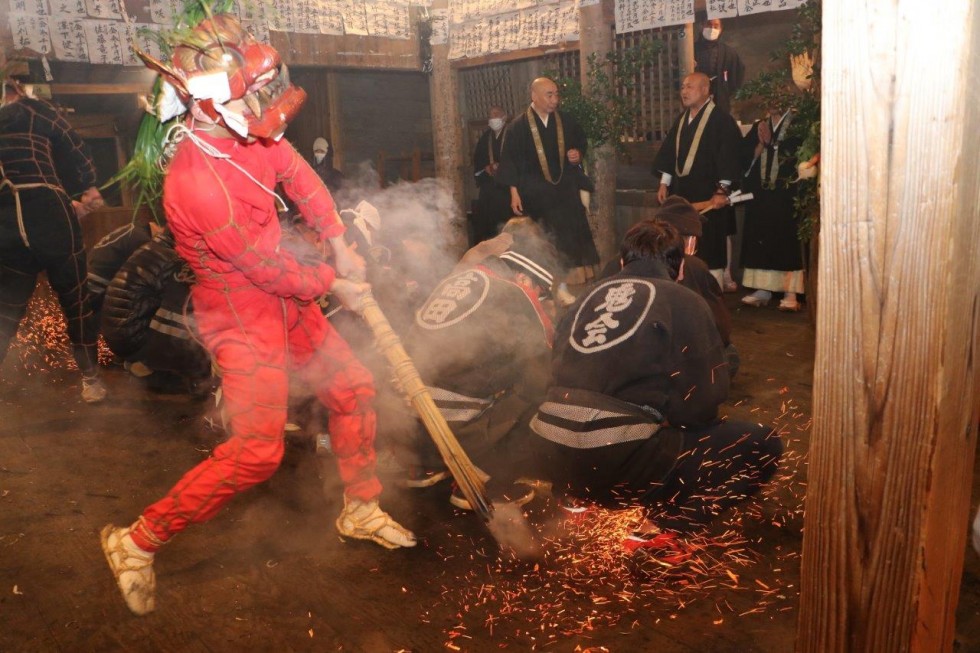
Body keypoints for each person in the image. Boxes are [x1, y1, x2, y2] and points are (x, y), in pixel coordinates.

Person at [100, 14, 415, 617]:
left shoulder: (249, 134)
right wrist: (334, 283)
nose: (266, 103)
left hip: (281, 290)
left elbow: (300, 178)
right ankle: (136, 541)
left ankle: (360, 508)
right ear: (212, 96)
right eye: (253, 90)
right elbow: (259, 270)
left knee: (353, 389)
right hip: (240, 311)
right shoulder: (194, 183)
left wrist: (340, 240)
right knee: (257, 453)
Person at [530, 218, 782, 542]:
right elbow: (701, 404)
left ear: (622, 262)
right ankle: (664, 530)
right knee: (761, 444)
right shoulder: (683, 299)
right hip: (619, 466)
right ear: (679, 270)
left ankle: (575, 498)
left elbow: (555, 368)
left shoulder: (585, 297)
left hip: (550, 453)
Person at [392, 236, 557, 508]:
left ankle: (421, 465)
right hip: (453, 423)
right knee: (540, 393)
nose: (539, 299)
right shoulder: (514, 292)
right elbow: (541, 366)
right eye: (541, 292)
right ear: (524, 277)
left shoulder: (458, 279)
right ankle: (486, 480)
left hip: (405, 419)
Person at [0, 77, 107, 402]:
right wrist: (87, 187)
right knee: (76, 299)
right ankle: (91, 380)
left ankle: (90, 378)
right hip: (50, 209)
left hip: (6, 215)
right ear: (16, 86)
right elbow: (73, 145)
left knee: (4, 310)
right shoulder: (36, 110)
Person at [497, 77, 599, 304]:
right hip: (533, 194)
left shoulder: (565, 121)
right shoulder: (518, 127)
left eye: (556, 95)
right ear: (534, 96)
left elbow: (580, 143)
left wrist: (576, 154)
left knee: (564, 239)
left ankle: (561, 286)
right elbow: (509, 161)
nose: (555, 100)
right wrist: (514, 192)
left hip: (563, 191)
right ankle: (539, 289)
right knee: (539, 240)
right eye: (549, 95)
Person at [652, 72, 742, 289]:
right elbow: (669, 153)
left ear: (705, 90)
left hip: (709, 194)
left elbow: (729, 154)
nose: (684, 91)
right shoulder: (682, 121)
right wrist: (664, 181)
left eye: (689, 87)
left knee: (710, 243)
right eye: (682, 87)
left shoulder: (721, 120)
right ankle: (684, 290)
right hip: (682, 192)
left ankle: (713, 294)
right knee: (681, 241)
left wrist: (722, 190)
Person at [99, 226, 211, 394]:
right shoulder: (175, 260)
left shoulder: (153, 249)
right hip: (133, 339)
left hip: (117, 334)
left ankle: (144, 362)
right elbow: (178, 319)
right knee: (189, 321)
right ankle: (151, 367)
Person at [738, 107, 805, 311]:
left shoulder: (797, 124)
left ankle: (790, 292)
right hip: (762, 193)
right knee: (760, 237)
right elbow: (744, 158)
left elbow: (800, 155)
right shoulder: (761, 125)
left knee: (785, 239)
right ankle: (762, 289)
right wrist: (760, 143)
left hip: (786, 192)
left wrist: (775, 144)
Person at [470, 106, 512, 246]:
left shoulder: (513, 134)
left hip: (507, 188)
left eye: (496, 115)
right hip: (489, 187)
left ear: (504, 118)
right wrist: (485, 168)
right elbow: (478, 159)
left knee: (507, 223)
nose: (493, 118)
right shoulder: (485, 138)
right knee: (486, 222)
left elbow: (519, 157)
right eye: (491, 116)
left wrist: (503, 167)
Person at [694, 17, 745, 115]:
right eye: (709, 25)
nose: (712, 28)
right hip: (697, 94)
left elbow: (739, 71)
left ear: (721, 29)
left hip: (720, 95)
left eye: (716, 26)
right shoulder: (691, 50)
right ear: (701, 26)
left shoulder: (728, 52)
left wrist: (727, 89)